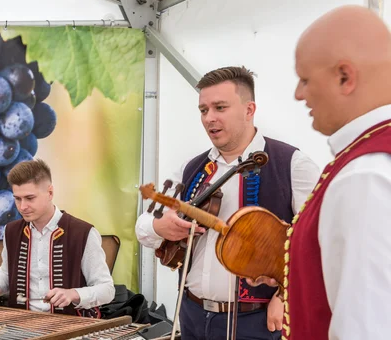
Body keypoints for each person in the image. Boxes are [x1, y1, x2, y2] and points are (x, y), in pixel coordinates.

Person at [135, 66, 320, 339]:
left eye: (220, 107)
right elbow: (144, 224)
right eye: (203, 110)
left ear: (249, 110)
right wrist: (160, 227)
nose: (210, 118)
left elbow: (318, 244)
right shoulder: (193, 168)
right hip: (192, 315)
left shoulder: (292, 164)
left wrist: (285, 296)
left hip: (258, 322)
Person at [268, 4, 391, 339]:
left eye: (305, 79)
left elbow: (367, 329)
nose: (298, 94)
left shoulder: (364, 176)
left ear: (345, 77)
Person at [0, 159, 115, 316]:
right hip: (22, 324)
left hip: (72, 326)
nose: (22, 207)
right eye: (17, 198)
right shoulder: (11, 231)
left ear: (50, 193)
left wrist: (73, 294)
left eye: (30, 198)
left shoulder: (83, 233)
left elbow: (107, 290)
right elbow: (7, 273)